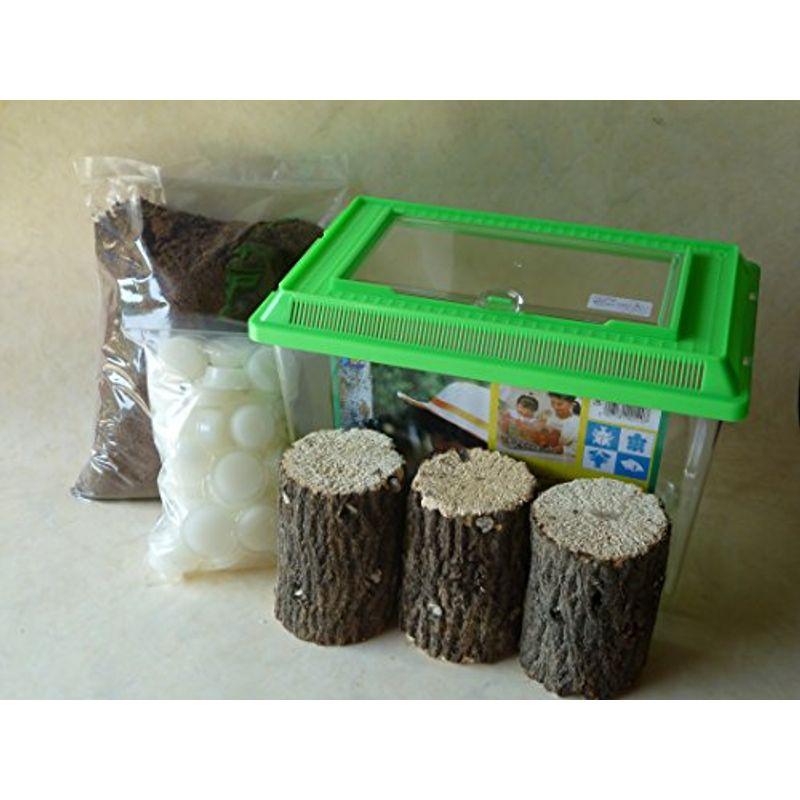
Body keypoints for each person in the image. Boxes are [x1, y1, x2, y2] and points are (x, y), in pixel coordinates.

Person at [544, 392, 581, 458]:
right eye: (552, 403)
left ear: (571, 405)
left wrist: (564, 449)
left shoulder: (577, 423)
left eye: (560, 404)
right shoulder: (549, 418)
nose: (555, 407)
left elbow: (579, 448)